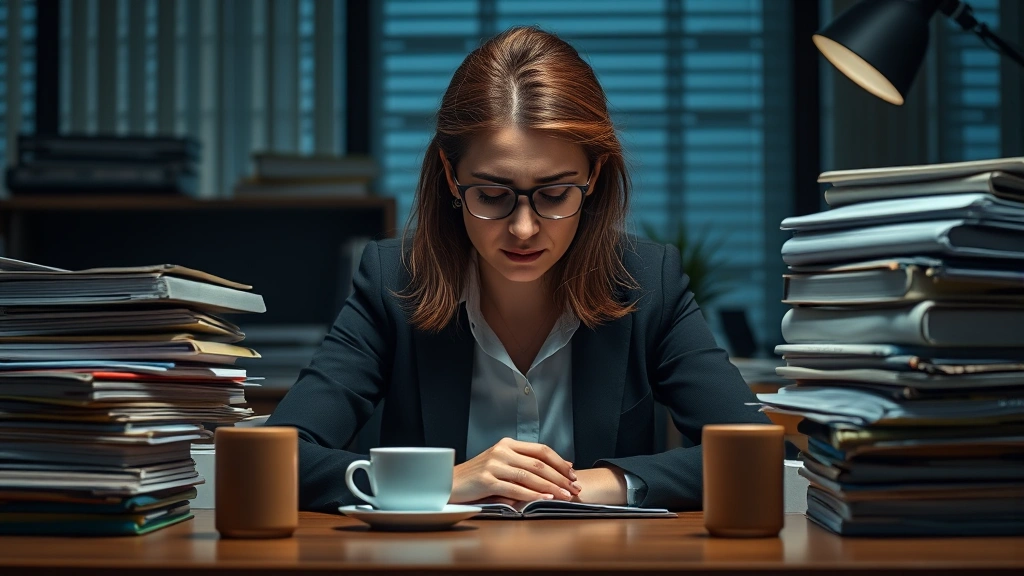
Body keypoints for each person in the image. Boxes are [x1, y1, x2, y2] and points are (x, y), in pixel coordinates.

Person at [266, 25, 769, 513]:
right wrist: (441, 482)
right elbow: (276, 460)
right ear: (450, 174)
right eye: (491, 195)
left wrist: (599, 483)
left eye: (554, 194)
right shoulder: (394, 279)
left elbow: (761, 456)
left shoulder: (647, 280)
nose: (524, 228)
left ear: (593, 174)